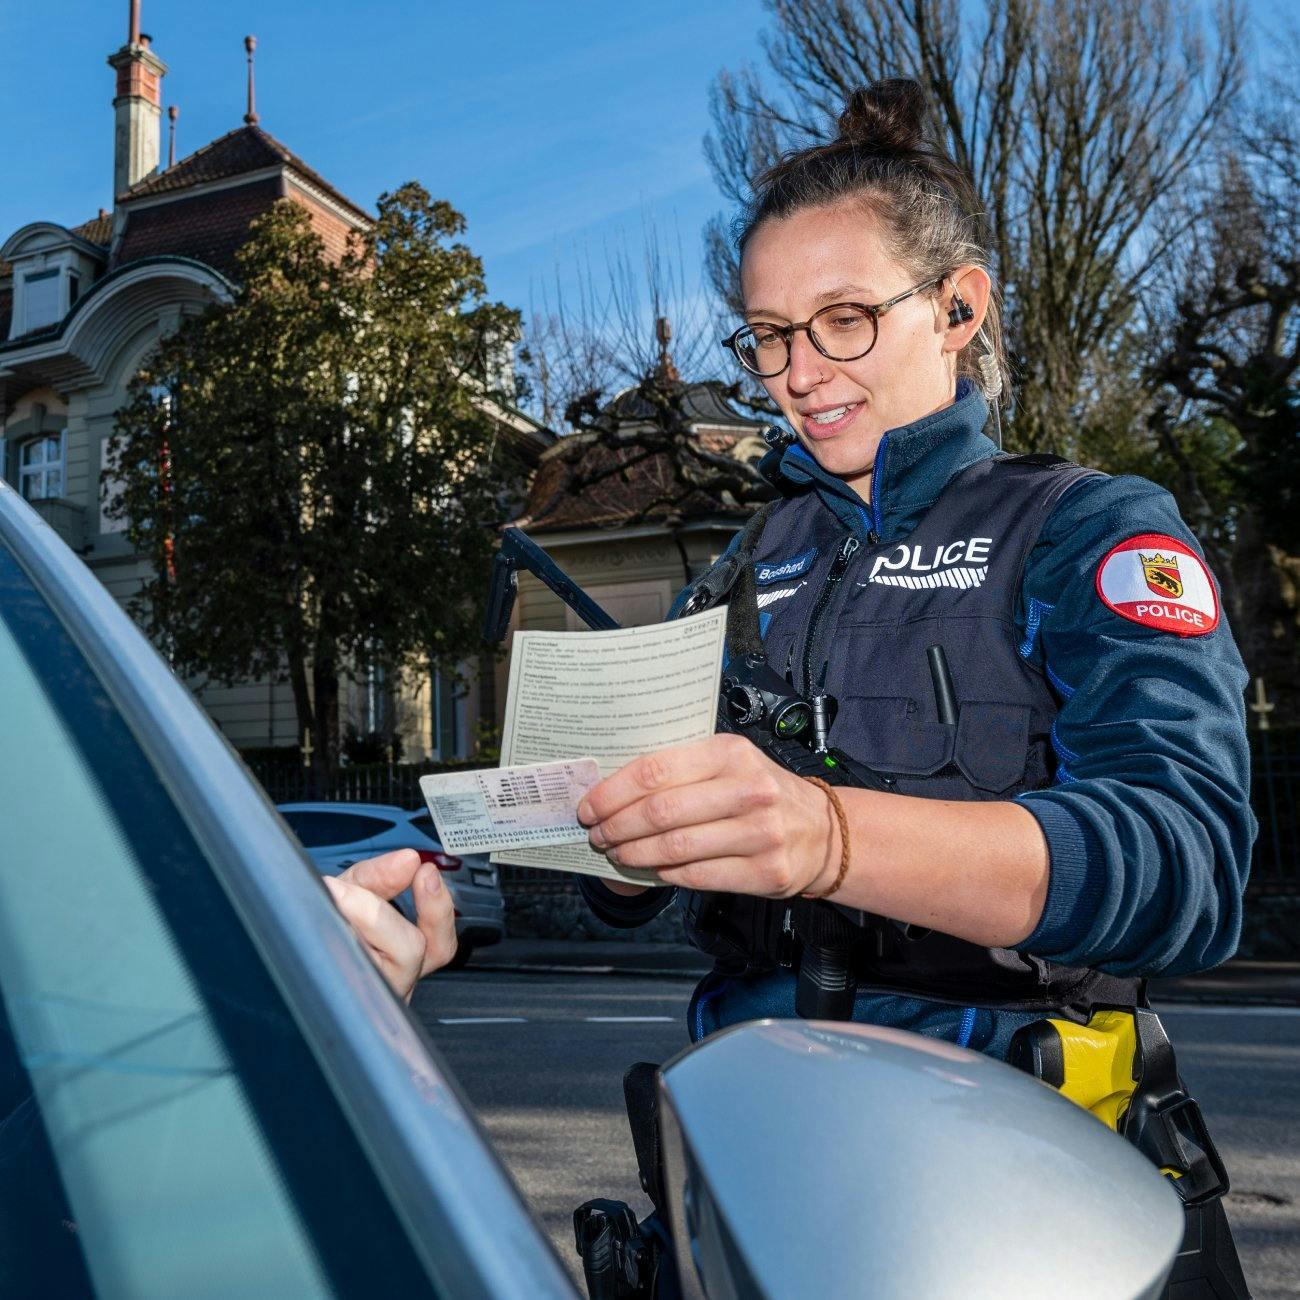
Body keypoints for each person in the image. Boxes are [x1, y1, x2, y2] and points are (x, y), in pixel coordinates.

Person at [571, 78, 1255, 1060]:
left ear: (956, 307)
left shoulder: (1083, 530)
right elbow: (629, 882)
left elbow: (1186, 869)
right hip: (744, 1108)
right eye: (769, 334)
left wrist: (830, 839)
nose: (799, 373)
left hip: (1002, 1109)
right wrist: (621, 847)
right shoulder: (738, 569)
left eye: (844, 318)